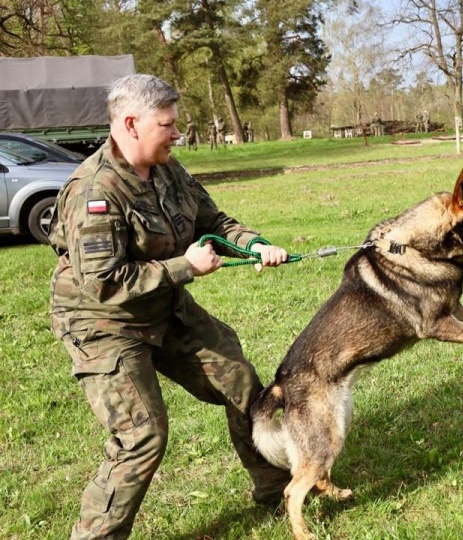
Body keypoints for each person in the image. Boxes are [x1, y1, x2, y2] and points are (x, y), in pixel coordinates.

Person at [48, 73, 291, 539]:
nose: (178, 133)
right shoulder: (94, 191)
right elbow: (102, 283)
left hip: (163, 306)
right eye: (168, 124)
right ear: (132, 123)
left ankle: (277, 489)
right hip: (103, 324)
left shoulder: (167, 168)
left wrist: (254, 245)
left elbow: (212, 220)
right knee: (142, 438)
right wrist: (185, 267)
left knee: (243, 386)